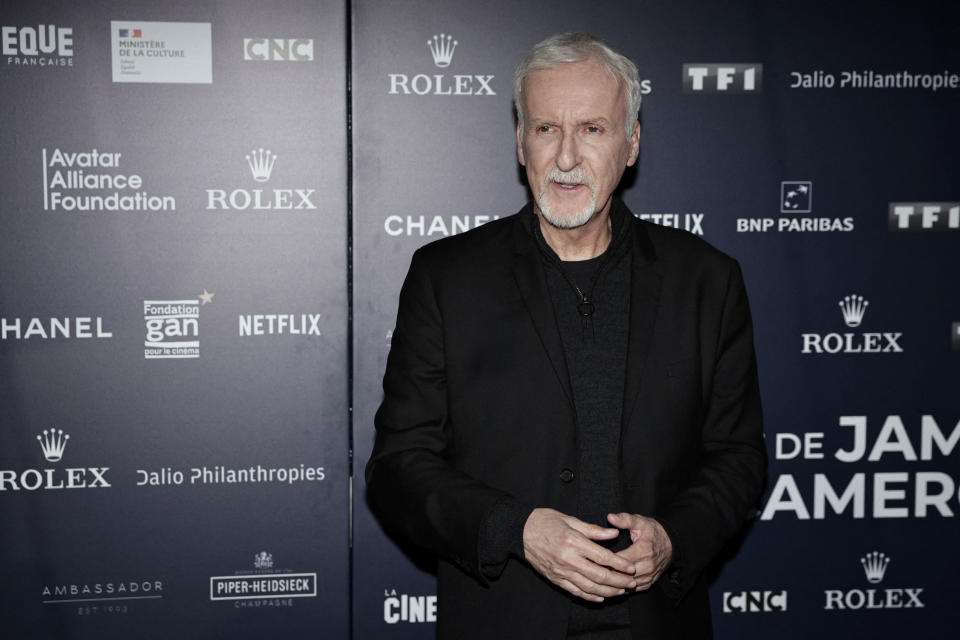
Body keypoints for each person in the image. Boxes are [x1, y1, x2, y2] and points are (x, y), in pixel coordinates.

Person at [366, 32, 766, 639]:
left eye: (594, 130)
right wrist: (515, 529)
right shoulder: (446, 278)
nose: (567, 157)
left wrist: (672, 539)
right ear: (520, 142)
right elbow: (398, 467)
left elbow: (738, 460)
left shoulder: (707, 281)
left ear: (631, 143)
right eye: (547, 129)